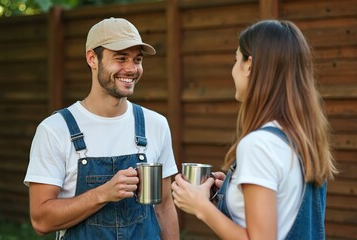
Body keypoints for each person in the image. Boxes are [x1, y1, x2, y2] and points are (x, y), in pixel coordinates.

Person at [171, 20, 337, 240]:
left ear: (249, 66)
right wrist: (232, 191)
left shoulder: (258, 145)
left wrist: (201, 207)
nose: (233, 69)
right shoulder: (303, 138)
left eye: (236, 59)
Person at [24, 17, 179, 240]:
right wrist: (103, 193)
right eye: (120, 58)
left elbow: (164, 207)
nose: (131, 68)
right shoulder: (55, 130)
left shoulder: (156, 125)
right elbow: (41, 220)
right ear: (92, 59)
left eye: (137, 59)